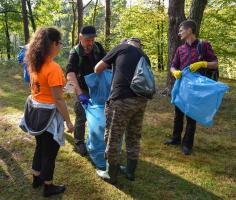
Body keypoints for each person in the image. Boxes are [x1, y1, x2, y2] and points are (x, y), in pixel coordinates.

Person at [24, 27, 74, 197]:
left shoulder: (33, 62)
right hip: (49, 116)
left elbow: (44, 90)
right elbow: (58, 99)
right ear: (52, 44)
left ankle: (36, 178)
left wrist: (63, 90)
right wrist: (68, 121)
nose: (60, 46)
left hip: (36, 113)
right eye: (59, 43)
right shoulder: (53, 68)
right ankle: (48, 186)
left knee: (40, 147)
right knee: (50, 153)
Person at [94, 37, 150, 184]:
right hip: (141, 101)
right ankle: (130, 171)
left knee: (114, 136)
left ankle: (111, 174)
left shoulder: (121, 48)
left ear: (127, 42)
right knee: (134, 135)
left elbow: (97, 68)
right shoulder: (145, 56)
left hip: (121, 100)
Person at [164, 19, 218, 155]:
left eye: (181, 30)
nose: (179, 33)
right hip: (182, 86)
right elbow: (172, 65)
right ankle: (175, 139)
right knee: (178, 114)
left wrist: (203, 64)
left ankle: (187, 145)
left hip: (197, 88)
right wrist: (174, 72)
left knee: (191, 116)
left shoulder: (203, 45)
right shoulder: (180, 49)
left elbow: (215, 63)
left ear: (189, 30)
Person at [66, 25, 106, 156]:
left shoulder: (98, 47)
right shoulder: (75, 52)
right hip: (82, 87)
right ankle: (78, 141)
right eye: (88, 40)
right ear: (80, 37)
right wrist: (80, 93)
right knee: (81, 114)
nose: (90, 42)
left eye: (92, 39)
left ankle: (96, 139)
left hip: (98, 87)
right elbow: (70, 74)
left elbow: (107, 62)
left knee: (99, 113)